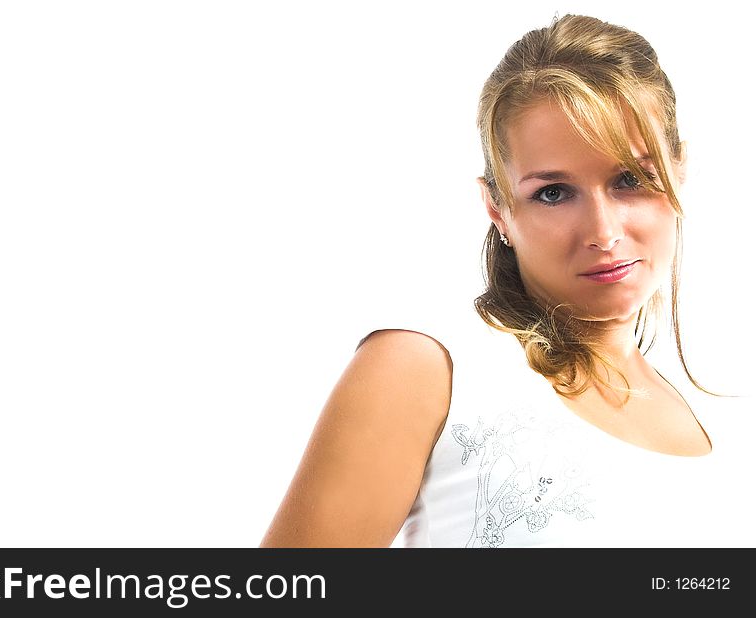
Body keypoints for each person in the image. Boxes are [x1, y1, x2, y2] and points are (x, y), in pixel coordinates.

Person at [260, 13, 746, 548]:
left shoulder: (724, 417)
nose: (604, 233)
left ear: (680, 170)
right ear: (497, 209)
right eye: (554, 192)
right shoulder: (425, 369)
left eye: (630, 180)